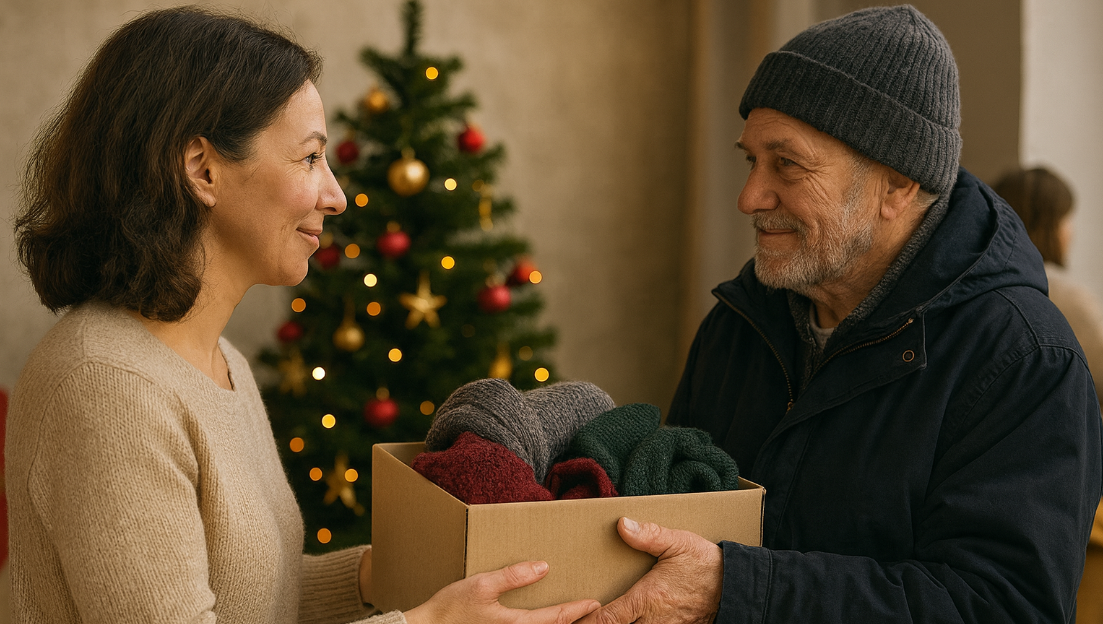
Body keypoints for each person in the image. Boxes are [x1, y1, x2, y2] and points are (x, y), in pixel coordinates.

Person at [6, 8, 599, 624]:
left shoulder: (218, 360)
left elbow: (251, 598)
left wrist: (377, 574)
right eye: (310, 158)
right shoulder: (106, 387)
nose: (336, 195)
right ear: (202, 169)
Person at [579, 6, 1102, 624]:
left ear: (899, 182)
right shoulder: (739, 323)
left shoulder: (1024, 359)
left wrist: (738, 591)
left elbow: (1008, 608)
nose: (750, 197)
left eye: (787, 164)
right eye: (751, 160)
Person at [993, 167, 1103, 623]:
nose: (1072, 230)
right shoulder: (1067, 299)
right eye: (1068, 217)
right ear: (1051, 221)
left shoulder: (977, 296)